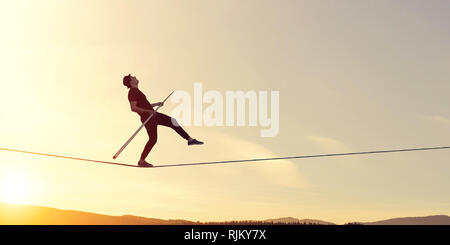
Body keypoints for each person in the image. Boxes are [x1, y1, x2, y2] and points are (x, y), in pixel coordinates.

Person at [123, 74, 204, 167]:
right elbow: (133, 108)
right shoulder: (132, 92)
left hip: (153, 115)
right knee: (153, 139)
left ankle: (189, 140)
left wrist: (156, 104)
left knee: (172, 121)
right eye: (132, 77)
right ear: (130, 81)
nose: (135, 77)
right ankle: (141, 161)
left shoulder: (137, 91)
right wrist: (147, 111)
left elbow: (144, 105)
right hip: (148, 118)